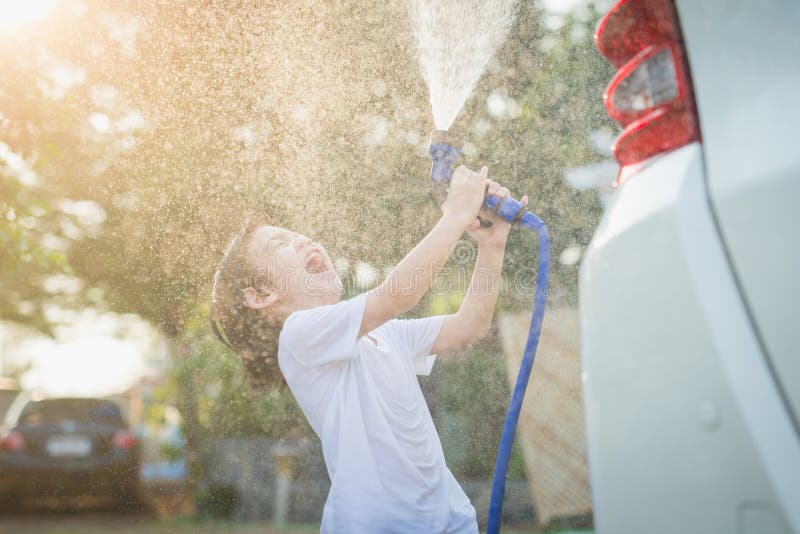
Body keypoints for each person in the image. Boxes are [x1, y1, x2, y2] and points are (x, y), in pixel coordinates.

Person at [210, 165, 527, 533]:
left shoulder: (384, 335)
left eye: (296, 233)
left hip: (449, 523)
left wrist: (492, 244)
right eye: (280, 244)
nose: (301, 240)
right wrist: (456, 215)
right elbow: (397, 295)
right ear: (260, 295)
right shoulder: (298, 337)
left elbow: (469, 327)